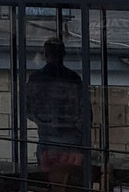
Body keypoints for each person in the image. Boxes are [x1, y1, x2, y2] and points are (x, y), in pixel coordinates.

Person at [27, 37, 85, 191]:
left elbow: (28, 110)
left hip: (47, 142)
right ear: (64, 54)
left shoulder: (36, 78)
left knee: (49, 184)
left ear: (45, 54)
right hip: (72, 144)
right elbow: (84, 112)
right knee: (71, 184)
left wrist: (43, 121)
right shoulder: (74, 79)